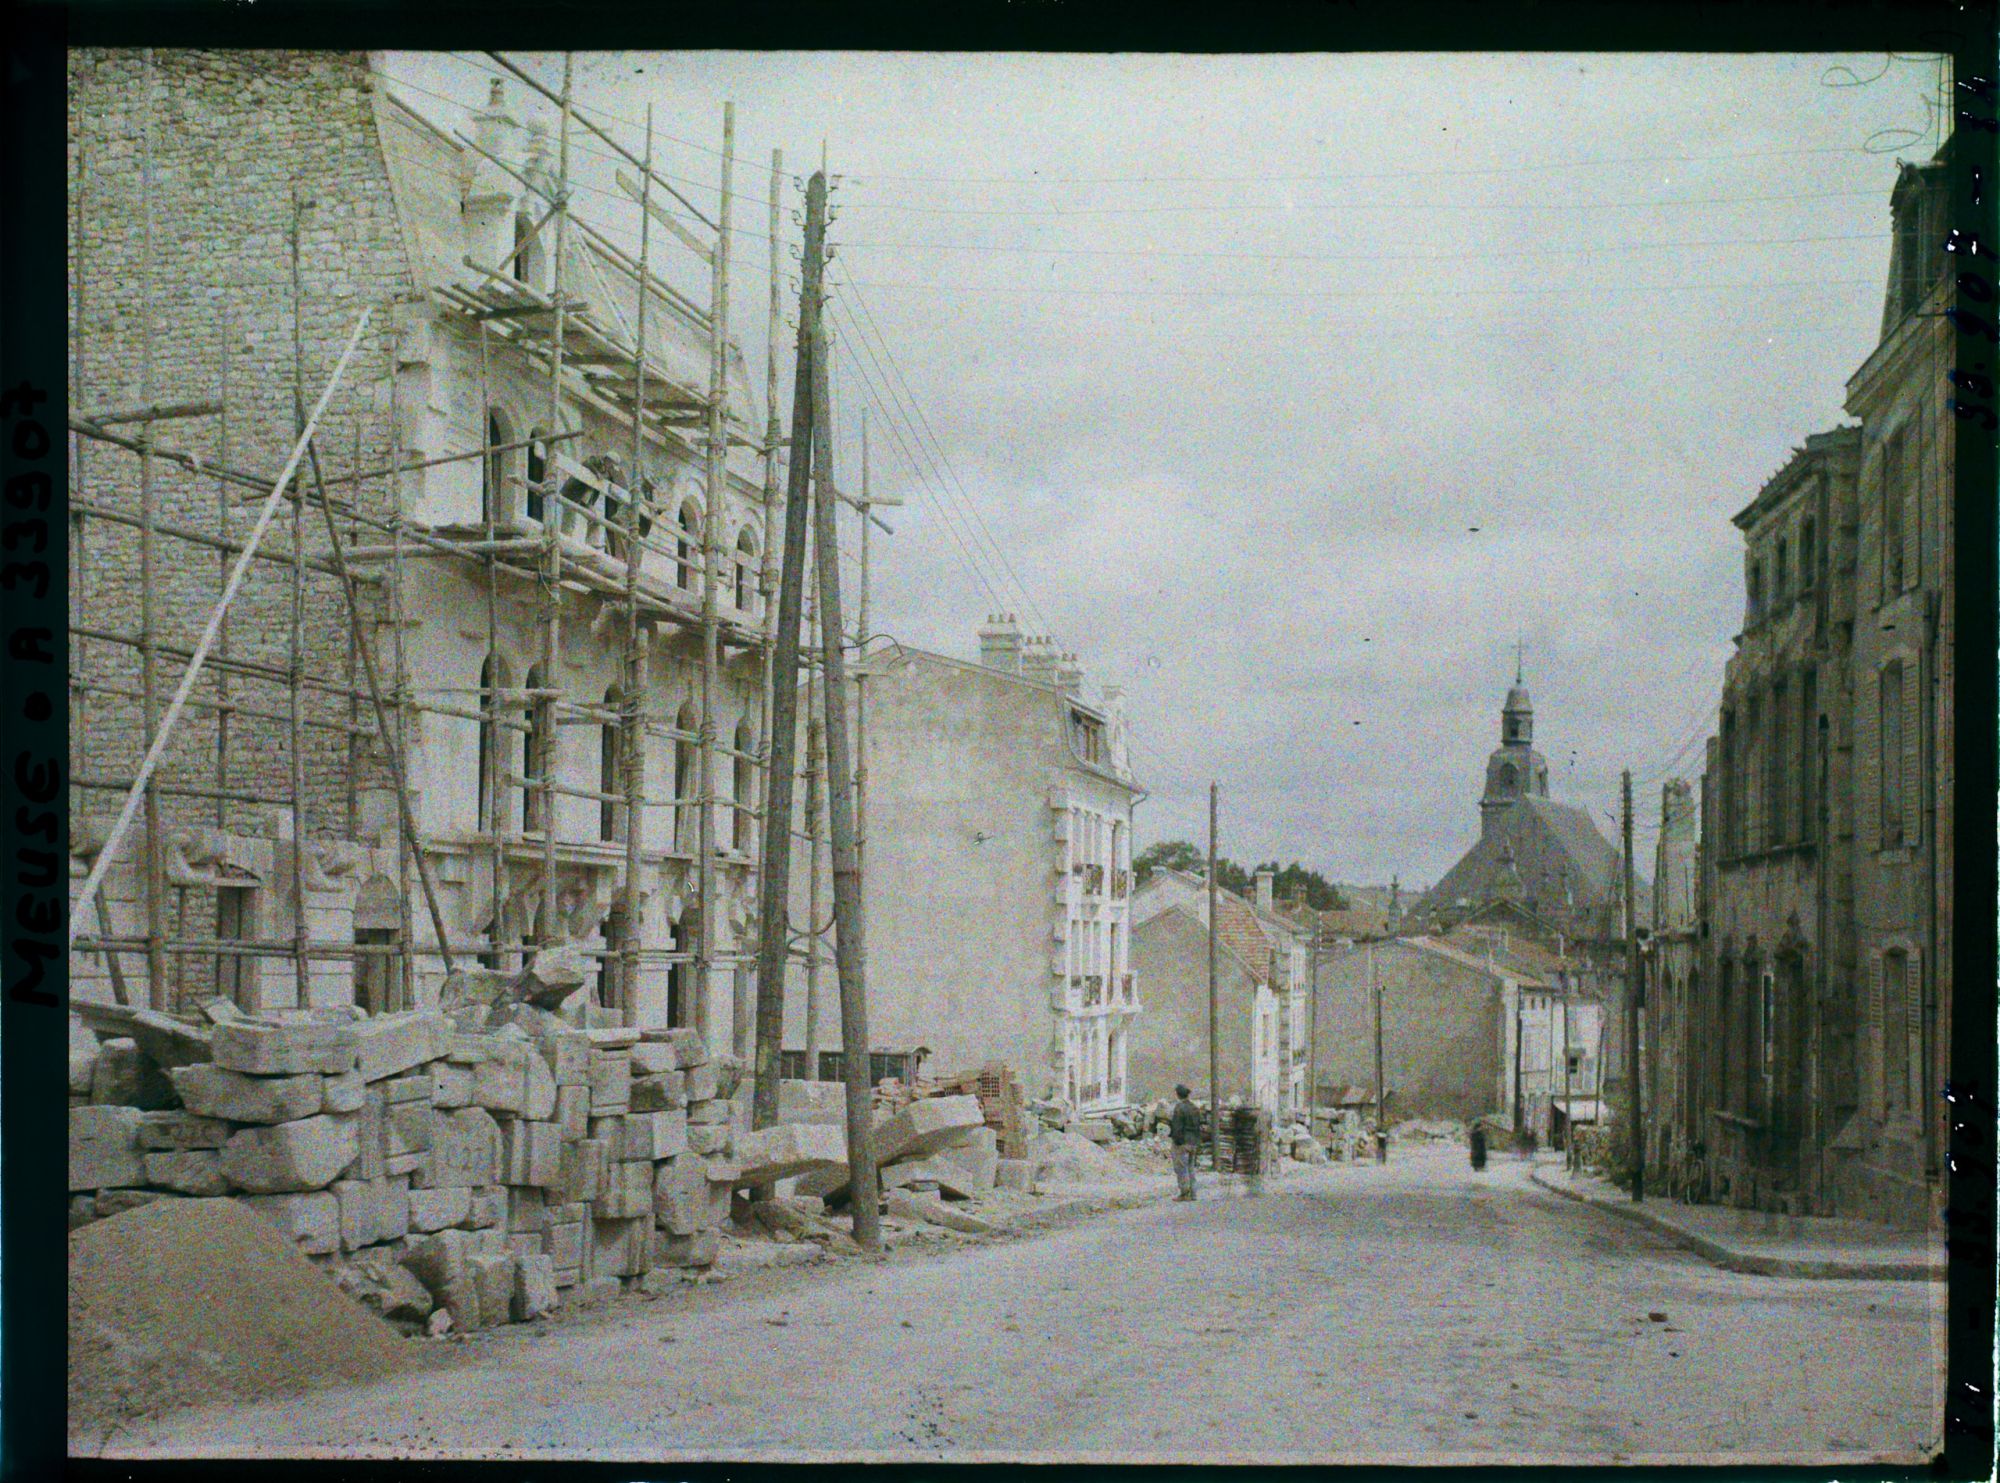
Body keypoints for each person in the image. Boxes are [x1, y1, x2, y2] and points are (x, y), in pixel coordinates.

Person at [1168, 1086, 1202, 1200]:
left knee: (1181, 1169)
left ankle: (1184, 1193)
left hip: (1183, 1143)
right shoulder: (1195, 1108)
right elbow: (1199, 1125)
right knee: (1191, 1168)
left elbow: (1177, 1127)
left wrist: (1177, 1141)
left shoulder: (1179, 1108)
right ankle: (1193, 1193)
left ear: (1177, 1095)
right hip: (1194, 1141)